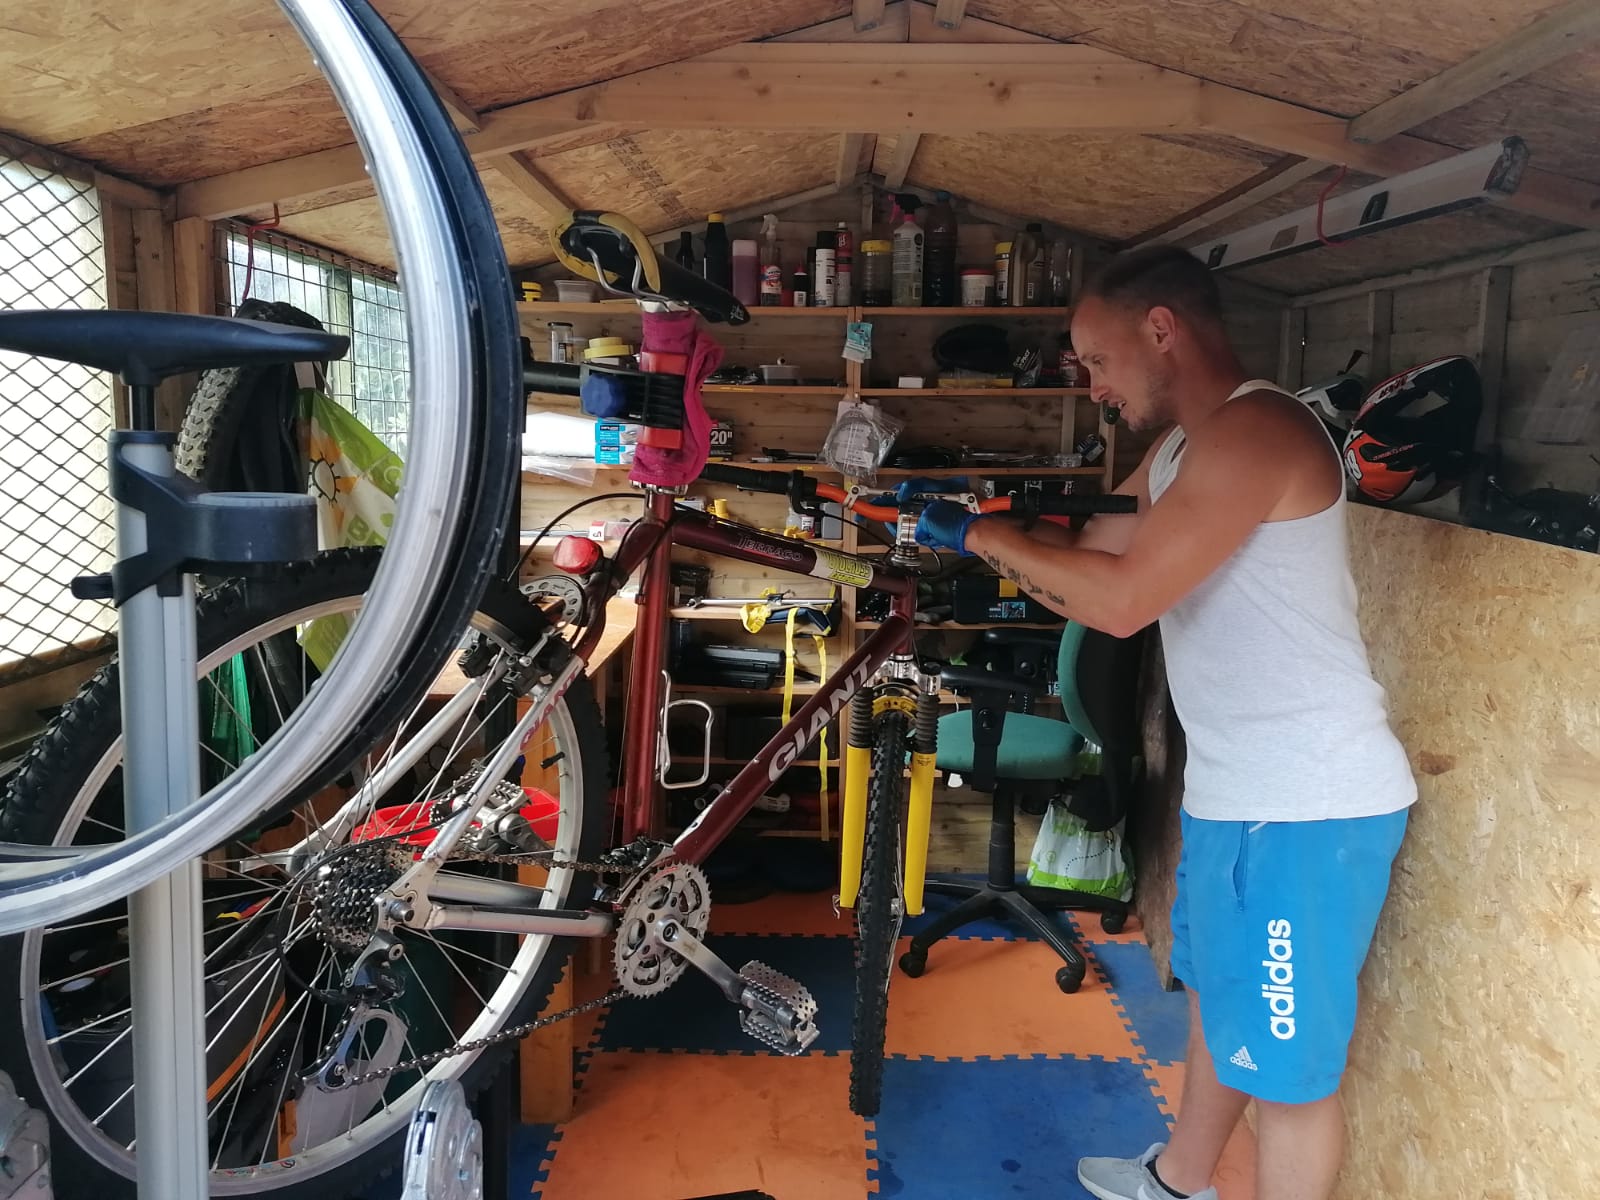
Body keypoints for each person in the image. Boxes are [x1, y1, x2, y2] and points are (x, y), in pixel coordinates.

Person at [907, 244, 1416, 1200]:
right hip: (1238, 795)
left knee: (1292, 1082)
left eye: (1097, 361)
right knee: (1224, 1011)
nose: (1091, 385)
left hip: (1310, 809)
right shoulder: (1181, 449)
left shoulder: (1260, 431)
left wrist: (978, 535)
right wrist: (993, 521)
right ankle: (1180, 1181)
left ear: (1161, 330)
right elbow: (1092, 560)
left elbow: (1124, 599)